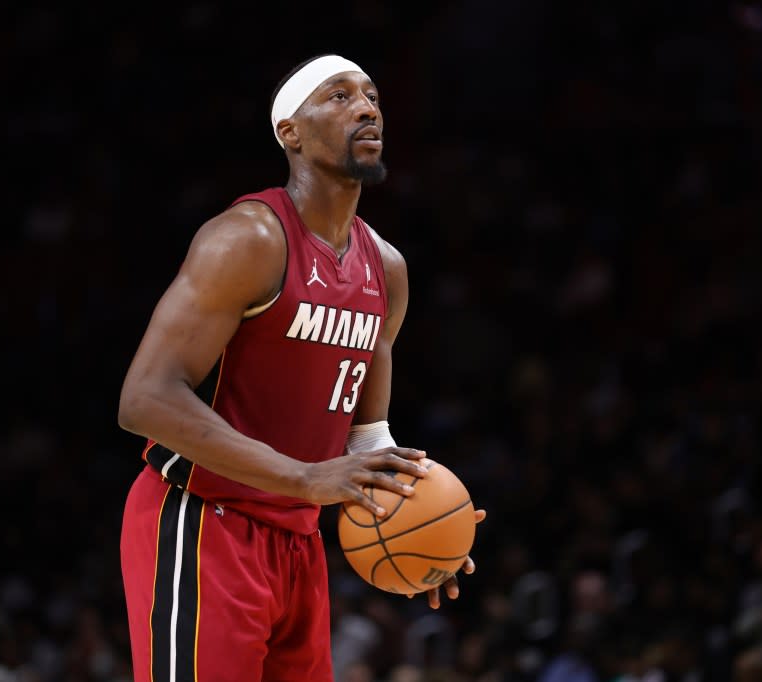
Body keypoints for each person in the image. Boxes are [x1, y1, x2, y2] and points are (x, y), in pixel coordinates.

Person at [116, 53, 485, 681]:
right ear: (290, 131)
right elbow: (144, 399)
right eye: (338, 97)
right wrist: (307, 478)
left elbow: (367, 437)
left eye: (371, 96)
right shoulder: (248, 239)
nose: (367, 108)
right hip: (205, 519)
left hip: (299, 539)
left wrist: (417, 521)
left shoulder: (386, 269)